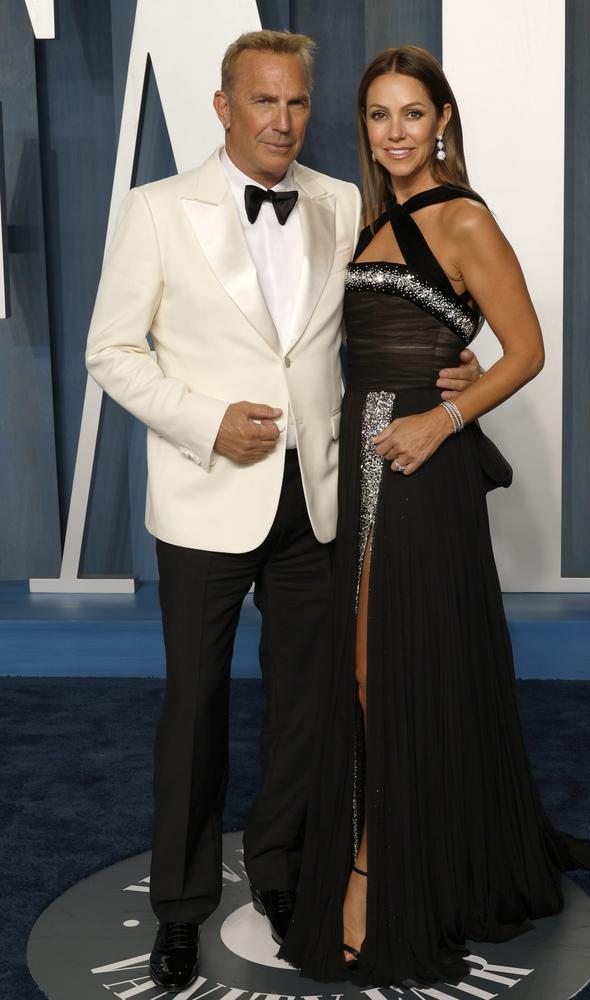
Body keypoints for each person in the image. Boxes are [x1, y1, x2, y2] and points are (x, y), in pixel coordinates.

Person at [84, 31, 480, 992]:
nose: (282, 121)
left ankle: (284, 876)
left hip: (318, 499)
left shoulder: (342, 202)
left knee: (308, 706)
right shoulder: (154, 210)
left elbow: (398, 309)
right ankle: (179, 909)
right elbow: (111, 351)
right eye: (264, 102)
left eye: (298, 103)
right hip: (206, 498)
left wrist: (456, 369)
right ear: (224, 106)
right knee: (195, 708)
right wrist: (209, 420)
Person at [278, 45, 590, 988]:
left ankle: (377, 869)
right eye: (380, 117)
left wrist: (444, 415)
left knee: (386, 662)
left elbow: (528, 349)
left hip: (419, 469)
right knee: (366, 666)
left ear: (444, 121)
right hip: (364, 459)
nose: (396, 133)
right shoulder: (373, 215)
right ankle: (387, 845)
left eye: (413, 115)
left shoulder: (464, 216)